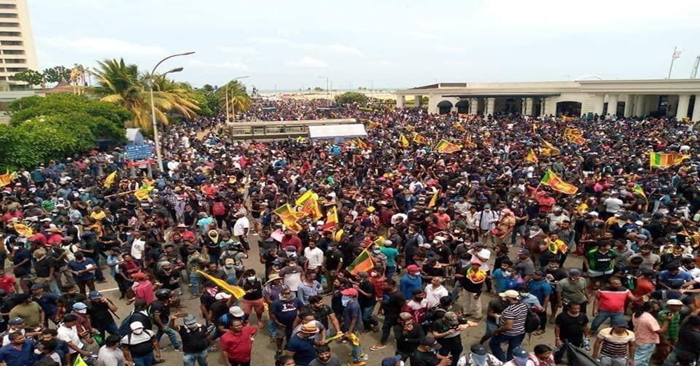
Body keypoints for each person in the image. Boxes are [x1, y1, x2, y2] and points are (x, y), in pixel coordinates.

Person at [489, 290, 528, 362]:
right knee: (512, 349)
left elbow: (508, 326)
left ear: (509, 299)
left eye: (505, 298)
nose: (503, 299)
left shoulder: (509, 310)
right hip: (519, 332)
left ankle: (502, 360)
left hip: (507, 333)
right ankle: (510, 362)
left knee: (493, 344)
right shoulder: (523, 305)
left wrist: (497, 330)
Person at [370, 278, 405, 352]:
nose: (383, 286)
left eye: (385, 285)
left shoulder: (399, 295)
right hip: (387, 313)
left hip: (393, 315)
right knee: (396, 328)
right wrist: (380, 309)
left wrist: (400, 317)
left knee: (386, 328)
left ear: (391, 285)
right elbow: (384, 301)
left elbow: (403, 307)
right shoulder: (386, 291)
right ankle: (400, 339)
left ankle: (382, 342)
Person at [632, 302, 671, 366]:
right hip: (647, 341)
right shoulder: (649, 318)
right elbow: (660, 331)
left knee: (643, 358)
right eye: (656, 307)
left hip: (639, 338)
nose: (658, 308)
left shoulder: (636, 314)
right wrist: (666, 321)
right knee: (639, 359)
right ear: (651, 309)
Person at [340, 288, 366, 365]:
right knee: (356, 341)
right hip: (352, 326)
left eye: (346, 295)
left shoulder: (354, 306)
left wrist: (349, 332)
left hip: (353, 328)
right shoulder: (351, 301)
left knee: (354, 343)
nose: (344, 295)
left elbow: (354, 319)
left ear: (351, 296)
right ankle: (360, 353)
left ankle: (357, 360)